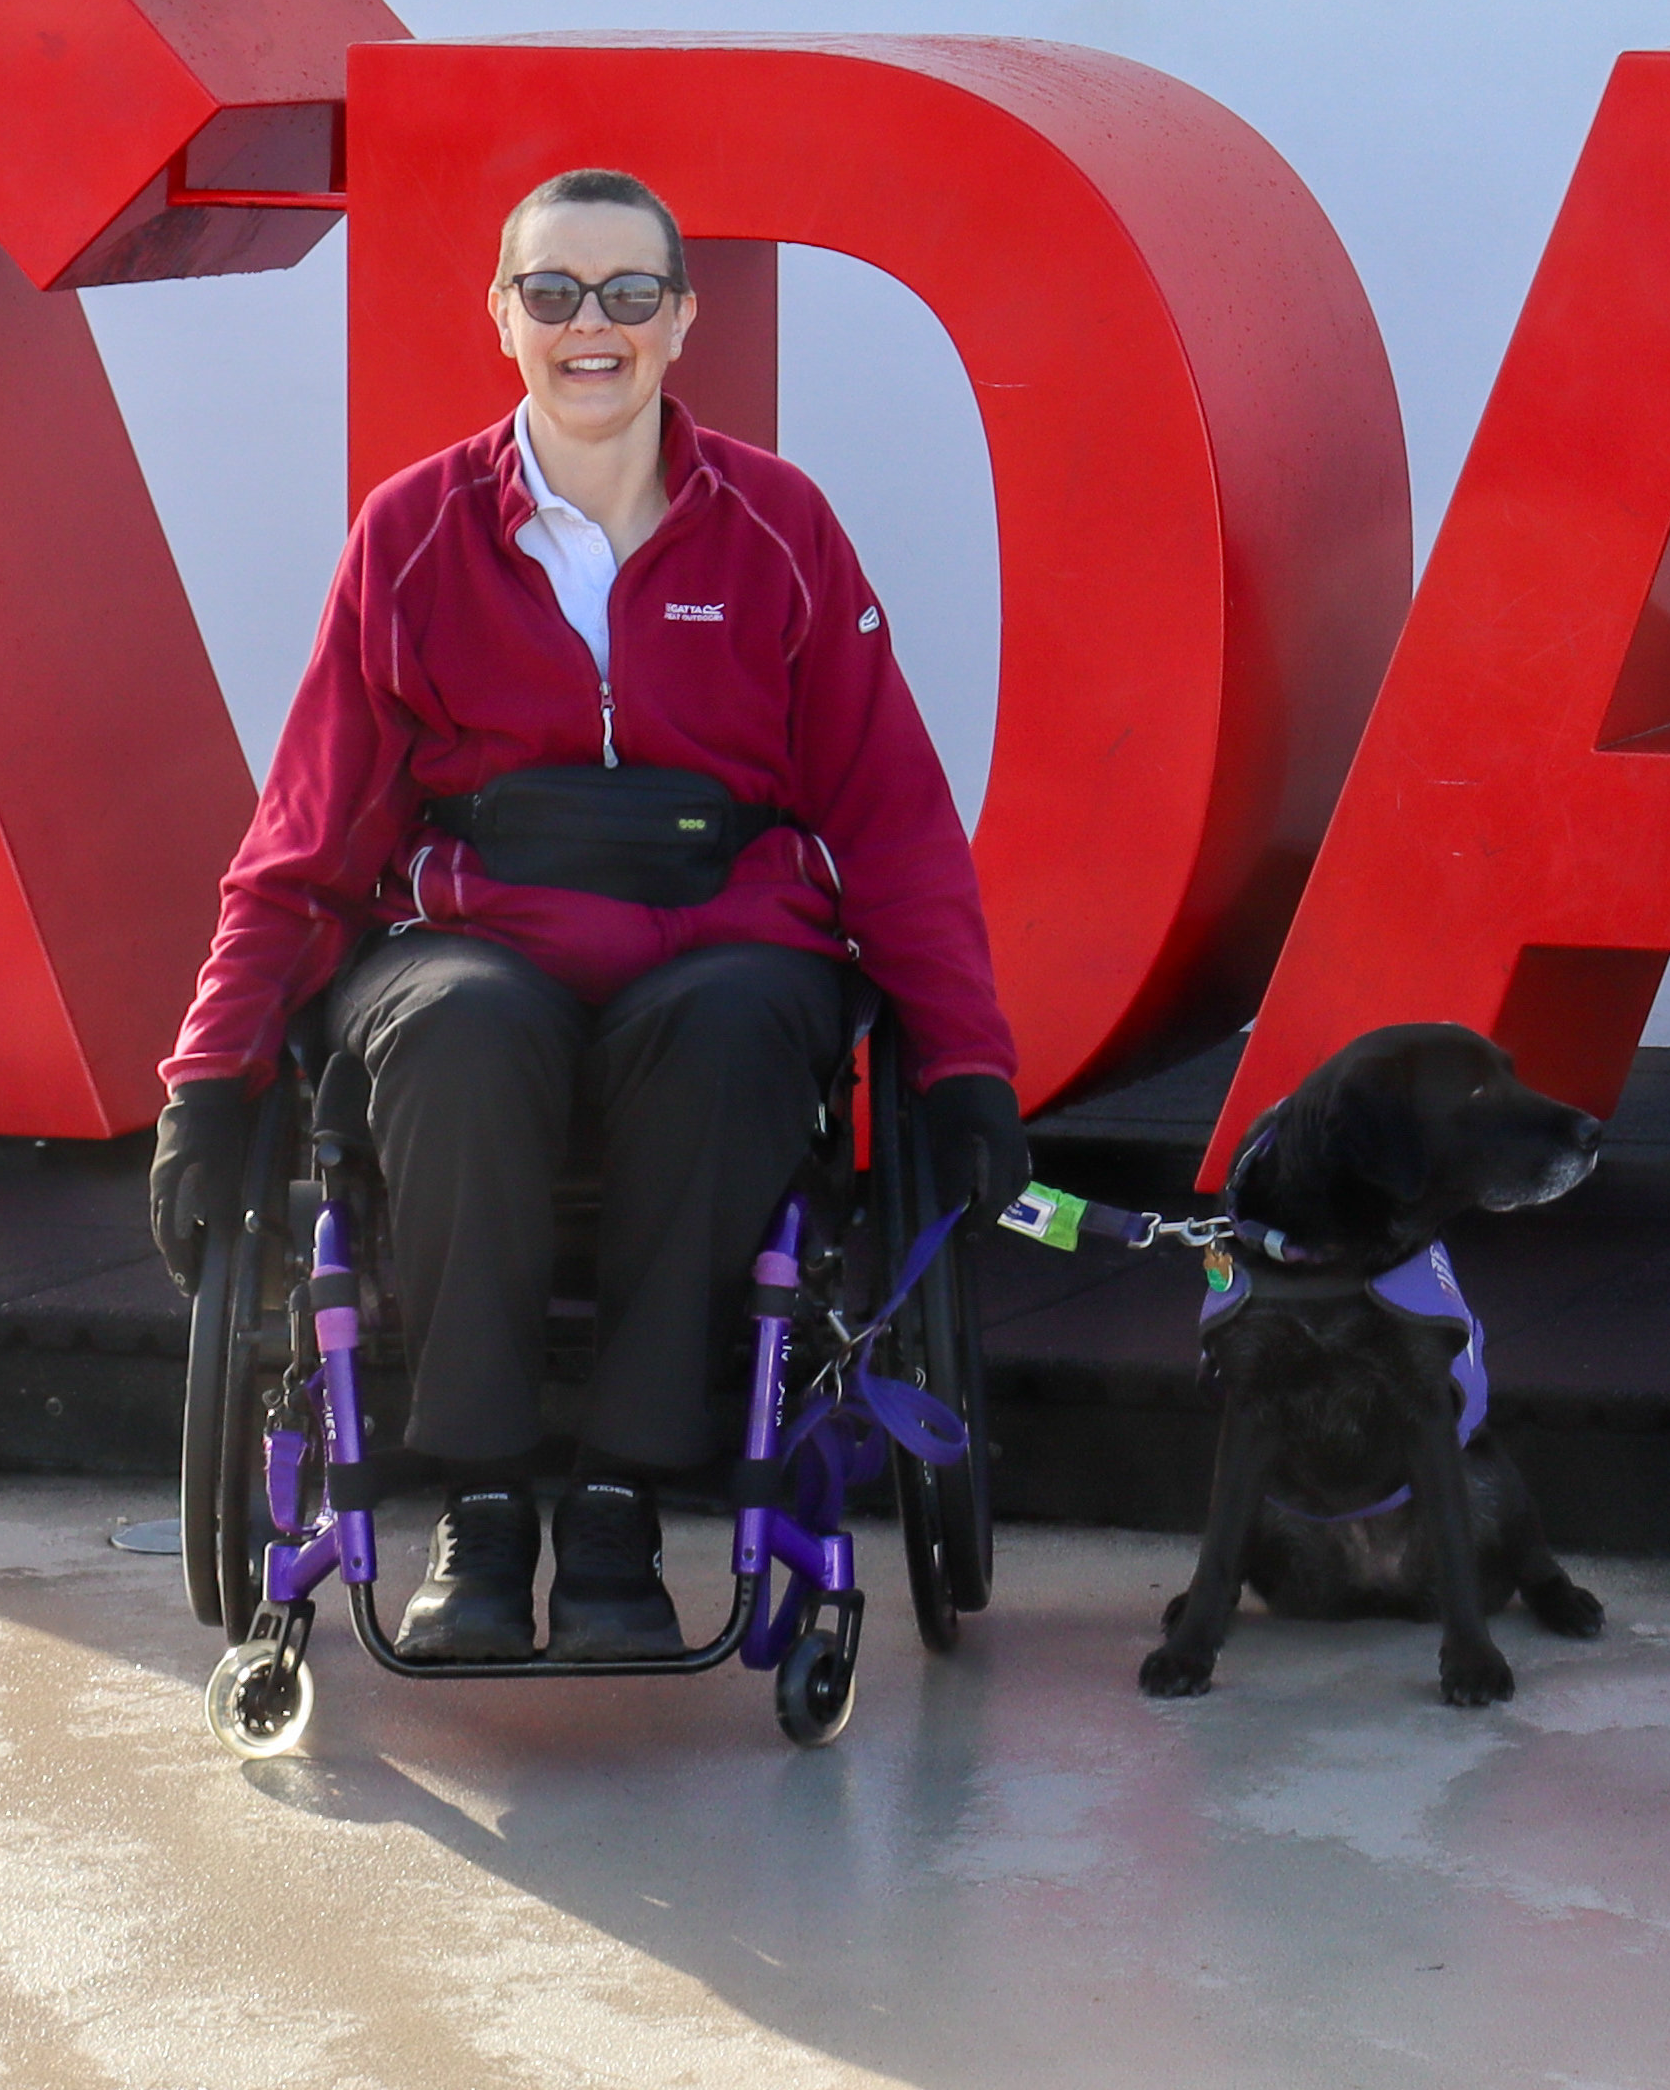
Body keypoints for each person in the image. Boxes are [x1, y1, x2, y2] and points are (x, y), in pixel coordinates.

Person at [145, 170, 1024, 1661]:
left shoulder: (779, 528)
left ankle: (620, 1501)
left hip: (726, 944)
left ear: (682, 320)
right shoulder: (414, 532)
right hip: (472, 942)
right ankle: (482, 1505)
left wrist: (965, 1065)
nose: (590, 324)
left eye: (629, 292)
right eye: (553, 291)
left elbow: (892, 825)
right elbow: (303, 839)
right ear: (504, 316)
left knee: (736, 1027)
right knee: (461, 1030)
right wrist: (207, 1084)